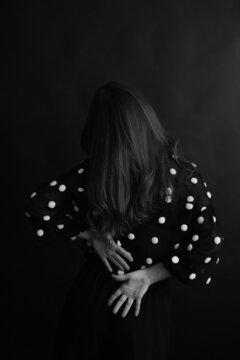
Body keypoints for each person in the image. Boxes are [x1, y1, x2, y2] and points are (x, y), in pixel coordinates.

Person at [24, 81, 224, 360]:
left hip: (97, 293)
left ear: (99, 131)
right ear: (146, 121)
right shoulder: (185, 178)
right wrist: (148, 275)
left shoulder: (92, 171)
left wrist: (90, 233)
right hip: (144, 298)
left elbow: (38, 206)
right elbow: (207, 248)